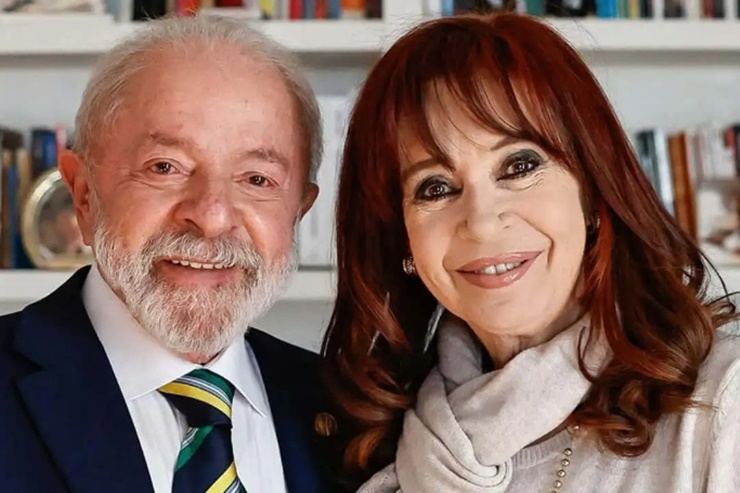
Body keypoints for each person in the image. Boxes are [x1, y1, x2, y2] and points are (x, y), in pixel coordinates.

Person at [321, 11, 740, 493]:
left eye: (519, 166)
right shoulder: (379, 444)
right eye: (435, 188)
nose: (481, 222)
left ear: (593, 191)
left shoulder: (722, 403)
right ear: (402, 240)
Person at [0, 13, 335, 493]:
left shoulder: (348, 413)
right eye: (165, 167)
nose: (212, 217)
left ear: (299, 211)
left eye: (257, 179)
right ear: (84, 195)